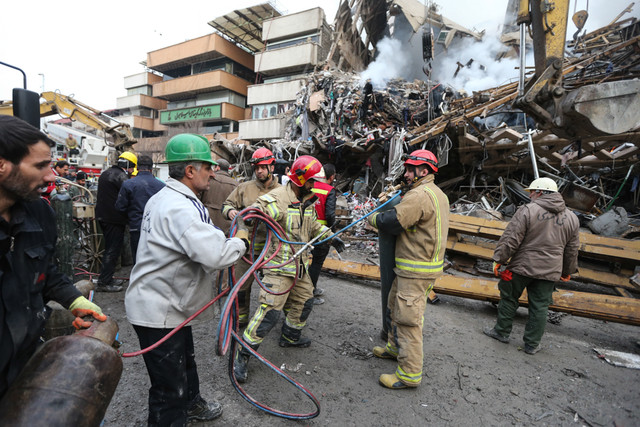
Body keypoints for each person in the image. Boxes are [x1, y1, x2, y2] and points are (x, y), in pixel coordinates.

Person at [124, 133, 248, 425]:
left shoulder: (169, 198)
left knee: (185, 360)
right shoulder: (178, 207)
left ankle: (192, 403)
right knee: (169, 388)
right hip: (158, 310)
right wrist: (240, 239)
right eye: (207, 166)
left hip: (167, 305)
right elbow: (216, 255)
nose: (213, 171)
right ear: (190, 171)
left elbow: (198, 238)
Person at [0, 115, 106, 398]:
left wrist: (74, 300)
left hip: (25, 366)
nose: (51, 175)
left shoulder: (40, 212)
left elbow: (46, 270)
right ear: (2, 166)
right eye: (40, 166)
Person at [233, 155, 345, 383]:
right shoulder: (277, 199)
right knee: (269, 313)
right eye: (313, 181)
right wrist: (259, 216)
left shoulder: (307, 199)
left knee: (305, 301)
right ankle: (242, 354)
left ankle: (291, 335)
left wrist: (330, 237)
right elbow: (249, 216)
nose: (317, 186)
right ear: (300, 180)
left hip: (300, 265)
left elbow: (312, 225)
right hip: (279, 267)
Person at [368, 149, 449, 389]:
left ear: (423, 171)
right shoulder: (436, 193)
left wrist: (373, 218)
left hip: (416, 269)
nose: (405, 173)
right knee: (395, 307)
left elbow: (393, 221)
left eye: (409, 169)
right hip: (414, 269)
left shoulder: (419, 196)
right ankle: (394, 348)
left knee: (408, 321)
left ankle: (409, 374)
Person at [483, 177, 579, 354]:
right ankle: (532, 345)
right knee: (540, 307)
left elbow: (511, 239)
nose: (531, 195)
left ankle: (501, 332)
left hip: (522, 267)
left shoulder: (528, 210)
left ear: (541, 192)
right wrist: (567, 271)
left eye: (532, 192)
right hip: (550, 271)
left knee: (509, 298)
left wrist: (499, 260)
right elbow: (572, 249)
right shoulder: (572, 218)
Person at [222, 147, 280, 327]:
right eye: (256, 168)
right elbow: (227, 204)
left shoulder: (283, 192)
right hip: (246, 251)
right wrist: (230, 211)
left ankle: (265, 326)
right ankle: (241, 320)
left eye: (263, 167)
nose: (259, 171)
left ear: (272, 166)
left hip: (271, 252)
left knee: (274, 290)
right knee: (240, 288)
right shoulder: (244, 188)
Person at [95, 151, 137, 292]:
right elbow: (131, 193)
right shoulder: (120, 176)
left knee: (110, 249)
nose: (131, 171)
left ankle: (108, 278)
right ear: (127, 165)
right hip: (113, 219)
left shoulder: (106, 173)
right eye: (132, 168)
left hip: (104, 217)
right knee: (112, 251)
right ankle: (104, 282)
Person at [115, 155, 165, 264]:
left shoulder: (128, 184)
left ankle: (138, 280)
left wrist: (130, 218)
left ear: (137, 168)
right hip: (156, 229)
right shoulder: (161, 186)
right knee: (154, 260)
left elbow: (120, 207)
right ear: (151, 169)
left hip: (136, 227)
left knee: (138, 259)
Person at [308, 163, 338, 305]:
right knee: (317, 263)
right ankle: (309, 293)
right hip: (322, 232)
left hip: (307, 229)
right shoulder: (330, 190)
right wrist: (332, 232)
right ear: (331, 177)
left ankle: (308, 289)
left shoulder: (310, 186)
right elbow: (330, 215)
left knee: (306, 261)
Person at [200, 158, 237, 234]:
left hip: (207, 224)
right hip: (227, 228)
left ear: (218, 167)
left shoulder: (207, 180)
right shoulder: (236, 185)